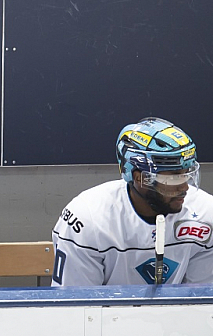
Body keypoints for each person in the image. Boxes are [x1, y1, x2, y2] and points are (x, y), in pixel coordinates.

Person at [52, 117, 213, 286]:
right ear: (139, 178)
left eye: (187, 174)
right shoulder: (87, 218)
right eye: (173, 178)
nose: (184, 188)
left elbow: (200, 301)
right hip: (104, 312)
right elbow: (78, 306)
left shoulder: (205, 213)